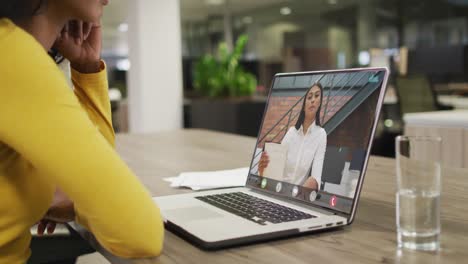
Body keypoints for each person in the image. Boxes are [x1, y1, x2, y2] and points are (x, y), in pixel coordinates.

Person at [0, 1, 164, 263]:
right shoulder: (10, 54)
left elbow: (97, 176)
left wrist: (87, 68)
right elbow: (141, 234)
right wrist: (76, 205)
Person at [259, 83, 327, 190]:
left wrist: (310, 184)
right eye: (309, 97)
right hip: (278, 190)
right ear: (304, 105)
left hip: (297, 195)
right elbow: (277, 166)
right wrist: (263, 172)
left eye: (317, 96)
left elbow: (315, 179)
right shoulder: (291, 133)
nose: (312, 100)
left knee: (312, 181)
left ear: (320, 103)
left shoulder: (321, 134)